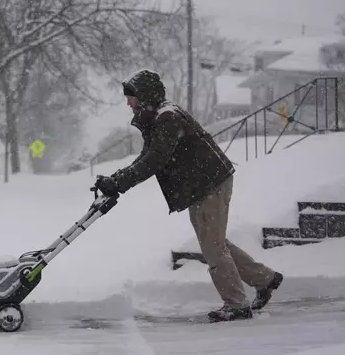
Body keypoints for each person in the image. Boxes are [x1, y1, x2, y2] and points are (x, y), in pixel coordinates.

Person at [95, 69, 284, 322]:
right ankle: (265, 279)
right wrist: (116, 180)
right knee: (215, 242)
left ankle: (237, 304)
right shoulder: (159, 117)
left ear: (146, 96)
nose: (129, 102)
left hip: (209, 183)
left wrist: (118, 182)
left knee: (213, 245)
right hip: (202, 184)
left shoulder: (167, 118)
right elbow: (147, 157)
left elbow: (154, 160)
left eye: (132, 97)